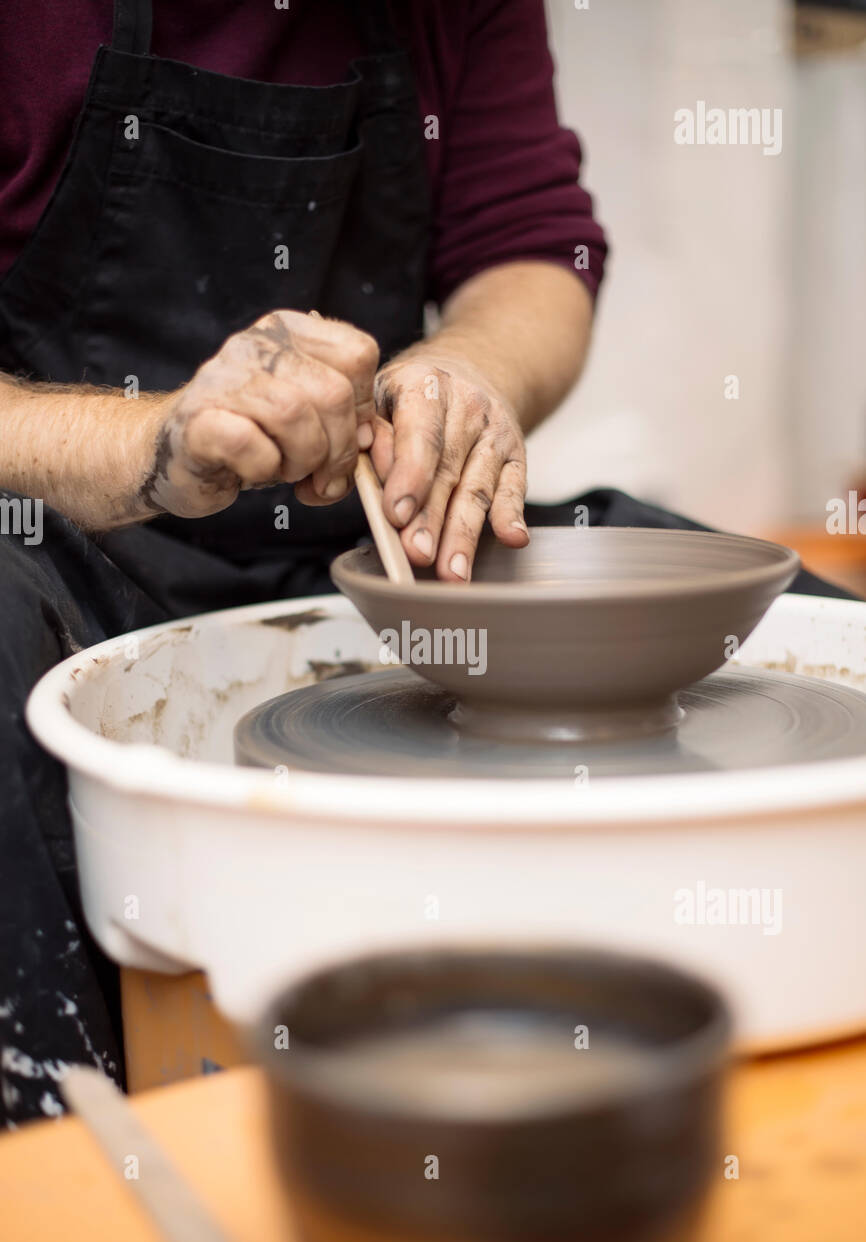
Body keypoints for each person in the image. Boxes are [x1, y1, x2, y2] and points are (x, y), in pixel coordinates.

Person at [0, 1, 840, 1127]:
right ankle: (72, 1189)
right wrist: (151, 444)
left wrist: (466, 370)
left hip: (367, 544)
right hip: (57, 551)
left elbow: (532, 246)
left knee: (754, 601)